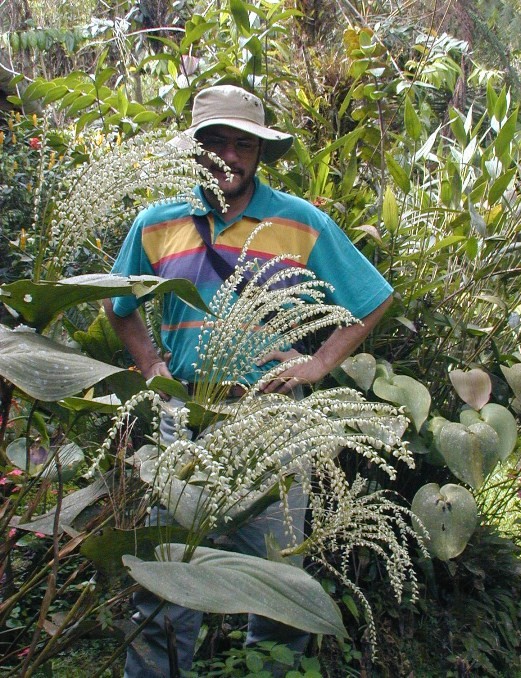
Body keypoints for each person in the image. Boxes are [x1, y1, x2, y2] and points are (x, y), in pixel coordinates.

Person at [104, 84, 393, 677]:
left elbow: (371, 299)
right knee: (165, 579)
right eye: (215, 142)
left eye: (243, 143)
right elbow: (120, 306)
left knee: (279, 583)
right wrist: (152, 367)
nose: (229, 156)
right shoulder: (156, 225)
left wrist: (317, 364)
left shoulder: (300, 221)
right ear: (194, 150)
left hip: (272, 425)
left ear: (259, 153)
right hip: (182, 421)